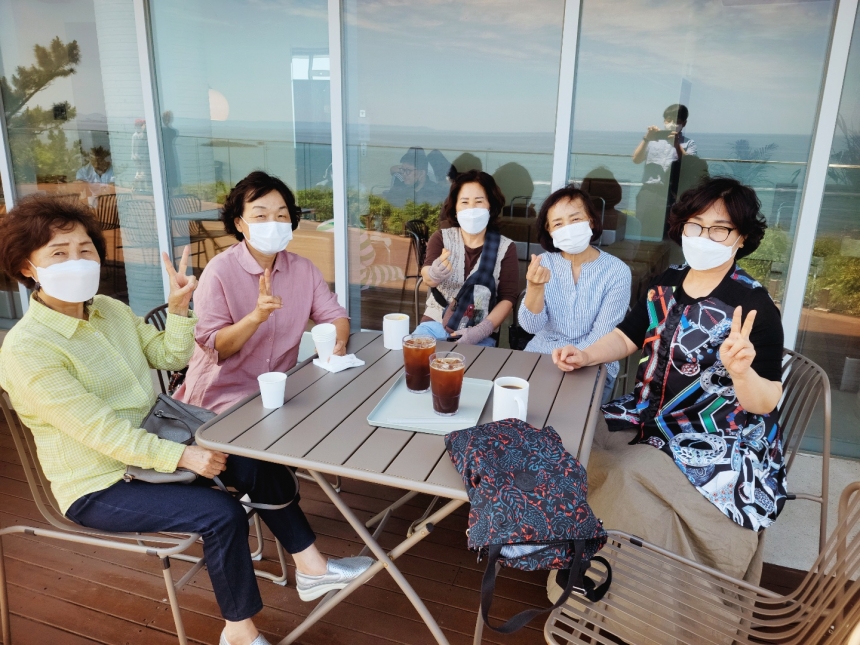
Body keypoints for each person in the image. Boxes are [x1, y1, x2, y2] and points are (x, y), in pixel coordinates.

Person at [0, 197, 372, 645]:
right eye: (59, 253)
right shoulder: (27, 349)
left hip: (157, 446)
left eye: (85, 249)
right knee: (221, 514)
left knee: (257, 460)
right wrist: (183, 456)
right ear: (27, 267)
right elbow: (99, 433)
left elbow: (170, 356)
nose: (76, 261)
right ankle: (239, 634)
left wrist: (178, 310)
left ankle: (313, 568)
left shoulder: (108, 310)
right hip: (100, 482)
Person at [549, 177, 786, 585]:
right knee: (570, 437)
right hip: (644, 414)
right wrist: (586, 354)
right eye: (696, 224)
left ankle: (612, 591)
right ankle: (569, 553)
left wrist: (742, 372)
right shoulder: (667, 282)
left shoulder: (754, 306)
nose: (704, 236)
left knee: (625, 474)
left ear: (742, 237)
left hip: (714, 437)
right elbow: (628, 334)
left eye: (720, 228)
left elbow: (765, 401)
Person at [175, 171, 350, 414]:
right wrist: (255, 318)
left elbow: (335, 316)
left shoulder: (304, 270)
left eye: (281, 215)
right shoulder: (219, 271)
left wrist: (337, 343)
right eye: (260, 215)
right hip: (221, 398)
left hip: (281, 393)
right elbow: (217, 348)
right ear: (239, 223)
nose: (273, 223)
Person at [519, 186, 631, 403]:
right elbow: (530, 326)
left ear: (591, 220)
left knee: (568, 413)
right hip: (541, 354)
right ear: (549, 231)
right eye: (558, 224)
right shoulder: (544, 263)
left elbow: (603, 335)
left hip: (595, 360)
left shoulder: (617, 271)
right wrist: (534, 286)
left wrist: (573, 358)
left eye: (575, 219)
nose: (568, 228)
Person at [413, 170, 518, 347]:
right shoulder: (441, 238)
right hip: (435, 324)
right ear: (455, 208)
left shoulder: (506, 248)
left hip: (478, 331)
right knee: (415, 357)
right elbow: (427, 277)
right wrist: (434, 273)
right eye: (464, 202)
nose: (471, 209)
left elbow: (508, 298)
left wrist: (481, 331)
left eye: (479, 201)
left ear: (490, 205)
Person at [632, 104, 697, 239]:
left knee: (671, 233)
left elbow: (690, 165)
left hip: (674, 194)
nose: (672, 124)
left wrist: (677, 145)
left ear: (684, 123)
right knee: (643, 230)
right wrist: (646, 138)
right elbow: (636, 159)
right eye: (668, 120)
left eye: (677, 121)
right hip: (649, 191)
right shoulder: (652, 141)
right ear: (664, 121)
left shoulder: (689, 143)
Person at [383, 146, 447, 208]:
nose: (404, 174)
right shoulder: (397, 190)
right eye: (403, 170)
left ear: (422, 173)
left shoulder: (436, 192)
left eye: (408, 171)